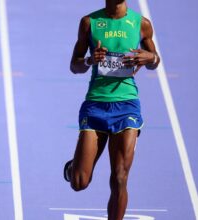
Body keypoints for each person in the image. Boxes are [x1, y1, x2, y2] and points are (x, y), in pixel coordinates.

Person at [63, 0, 159, 219]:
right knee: (79, 182)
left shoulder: (141, 24)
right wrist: (89, 60)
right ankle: (73, 167)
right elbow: (74, 65)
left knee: (120, 177)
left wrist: (150, 57)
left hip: (127, 106)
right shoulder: (90, 22)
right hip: (96, 104)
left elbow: (155, 61)